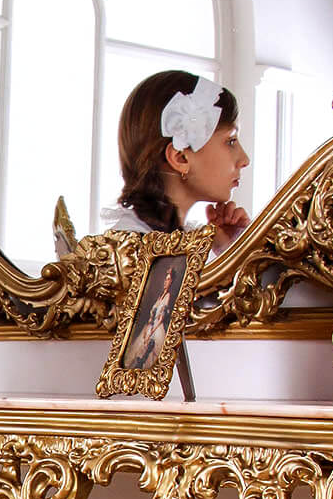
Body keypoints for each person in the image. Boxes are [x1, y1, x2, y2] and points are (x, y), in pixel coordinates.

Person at [107, 70, 251, 254]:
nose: (244, 160)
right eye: (230, 141)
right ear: (180, 158)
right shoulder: (136, 254)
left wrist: (229, 251)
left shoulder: (171, 243)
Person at [122, 264, 176, 369]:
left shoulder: (168, 296)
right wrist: (148, 328)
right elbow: (152, 315)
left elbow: (161, 318)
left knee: (151, 346)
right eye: (165, 279)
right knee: (139, 344)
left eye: (168, 280)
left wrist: (151, 331)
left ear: (171, 282)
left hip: (157, 327)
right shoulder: (160, 296)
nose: (166, 282)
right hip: (151, 324)